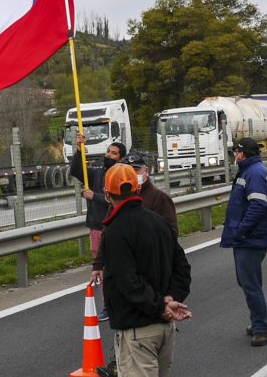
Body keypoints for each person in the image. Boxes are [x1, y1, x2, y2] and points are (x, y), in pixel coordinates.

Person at [100, 164, 192, 377]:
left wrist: (160, 306)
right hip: (165, 329)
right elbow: (182, 267)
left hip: (137, 329)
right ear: (137, 188)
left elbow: (128, 282)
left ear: (107, 194)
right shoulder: (158, 221)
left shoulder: (115, 231)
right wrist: (170, 298)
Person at [220, 137, 267, 347]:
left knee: (250, 285)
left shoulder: (254, 172)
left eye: (237, 151)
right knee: (248, 282)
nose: (235, 154)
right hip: (246, 238)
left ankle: (260, 328)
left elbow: (258, 205)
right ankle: (257, 322)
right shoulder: (249, 170)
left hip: (250, 239)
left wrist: (241, 231)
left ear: (244, 153)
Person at [70, 132, 126, 321]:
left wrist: (96, 197)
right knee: (101, 268)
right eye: (108, 152)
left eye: (114, 153)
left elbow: (121, 199)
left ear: (122, 158)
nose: (109, 155)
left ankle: (125, 300)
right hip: (97, 227)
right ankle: (108, 305)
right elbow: (77, 170)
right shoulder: (96, 173)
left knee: (120, 265)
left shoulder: (123, 176)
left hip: (118, 226)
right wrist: (79, 149)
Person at [124, 151, 178, 235]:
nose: (132, 174)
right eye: (128, 171)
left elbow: (171, 232)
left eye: (136, 170)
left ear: (146, 171)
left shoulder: (159, 197)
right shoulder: (119, 196)